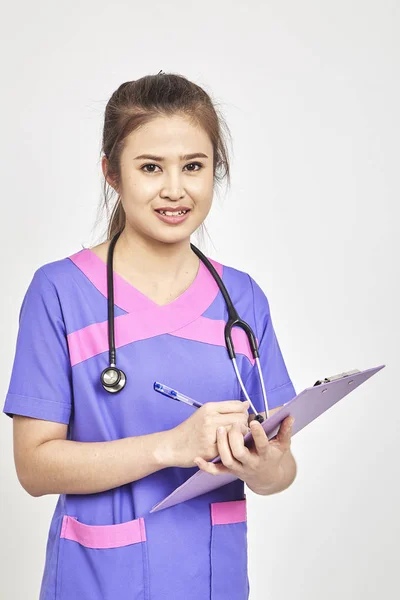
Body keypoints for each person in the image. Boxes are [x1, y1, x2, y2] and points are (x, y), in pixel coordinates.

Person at [3, 72, 297, 600]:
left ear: (215, 171)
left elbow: (279, 471)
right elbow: (34, 466)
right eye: (150, 167)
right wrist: (170, 446)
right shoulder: (60, 292)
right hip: (97, 581)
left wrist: (266, 465)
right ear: (111, 173)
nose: (174, 189)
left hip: (214, 580)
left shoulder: (243, 299)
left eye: (193, 166)